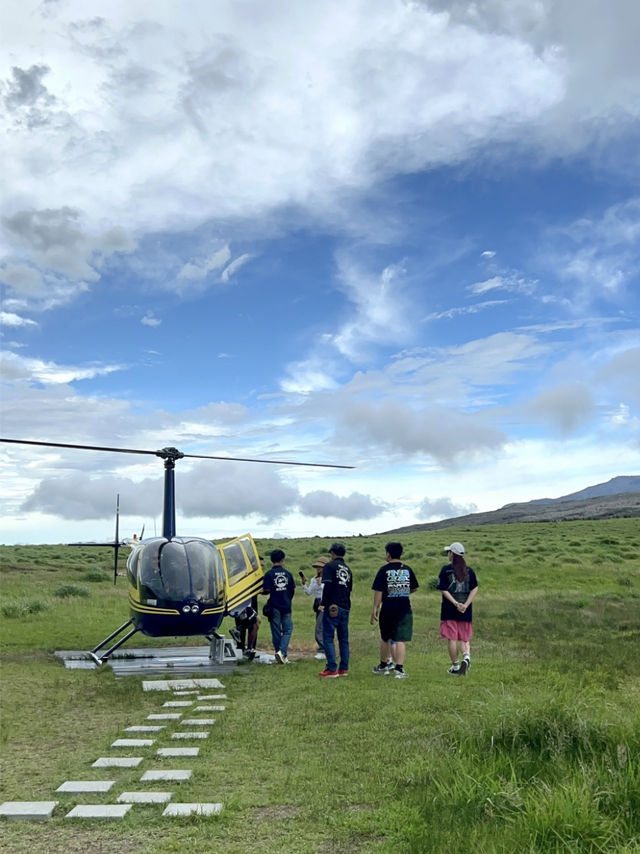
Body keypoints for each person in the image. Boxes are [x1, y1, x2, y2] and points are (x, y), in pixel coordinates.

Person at [370, 541, 419, 679]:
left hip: (388, 608)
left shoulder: (384, 570)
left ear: (388, 554)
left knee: (386, 637)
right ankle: (399, 669)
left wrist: (375, 608)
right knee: (400, 639)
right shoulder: (407, 569)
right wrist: (402, 591)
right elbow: (414, 587)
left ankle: (383, 665)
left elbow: (378, 591)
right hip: (404, 608)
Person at [437, 542, 478, 675]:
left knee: (452, 638)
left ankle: (455, 666)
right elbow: (474, 588)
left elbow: (443, 589)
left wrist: (455, 603)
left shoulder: (446, 570)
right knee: (464, 638)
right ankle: (466, 657)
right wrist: (465, 604)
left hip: (450, 610)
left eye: (448, 552)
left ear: (452, 554)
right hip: (465, 610)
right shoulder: (470, 571)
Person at [318, 543, 353, 678]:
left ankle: (332, 668)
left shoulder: (329, 566)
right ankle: (344, 668)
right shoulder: (348, 569)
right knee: (344, 639)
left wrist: (324, 604)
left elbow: (327, 586)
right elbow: (349, 589)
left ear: (332, 553)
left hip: (333, 606)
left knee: (328, 638)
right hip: (345, 606)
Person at [261, 548, 295, 664]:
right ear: (282, 560)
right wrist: (287, 599)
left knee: (276, 631)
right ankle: (282, 653)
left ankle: (279, 652)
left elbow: (266, 590)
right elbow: (292, 590)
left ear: (271, 560)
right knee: (288, 629)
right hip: (286, 605)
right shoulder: (288, 574)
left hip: (274, 606)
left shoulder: (269, 574)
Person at [299, 557, 328, 659]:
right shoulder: (313, 579)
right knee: (320, 626)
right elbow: (308, 592)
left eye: (320, 567)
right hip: (317, 603)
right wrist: (303, 584)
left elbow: (328, 591)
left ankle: (323, 649)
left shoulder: (328, 579)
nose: (318, 569)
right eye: (317, 567)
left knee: (319, 628)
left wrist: (321, 585)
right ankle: (324, 648)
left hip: (325, 603)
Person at [230, 595, 260, 660]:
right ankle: (248, 648)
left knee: (254, 623)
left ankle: (238, 629)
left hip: (247, 602)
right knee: (256, 623)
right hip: (244, 602)